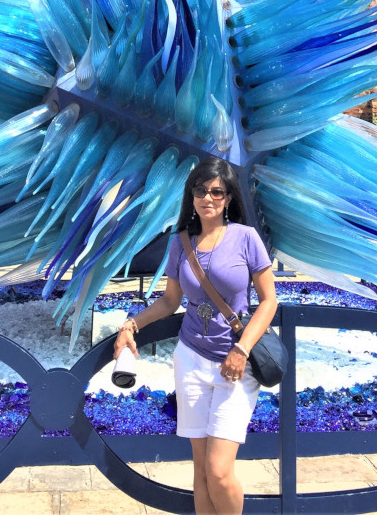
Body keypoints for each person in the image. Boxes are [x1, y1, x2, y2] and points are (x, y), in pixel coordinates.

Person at [113, 158, 278, 515]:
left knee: (219, 472)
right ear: (192, 195)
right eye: (201, 191)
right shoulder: (181, 241)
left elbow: (269, 301)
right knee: (201, 471)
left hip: (235, 366)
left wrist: (242, 348)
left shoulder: (246, 238)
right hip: (190, 360)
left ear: (229, 198)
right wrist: (131, 326)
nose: (208, 198)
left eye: (217, 192)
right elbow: (171, 301)